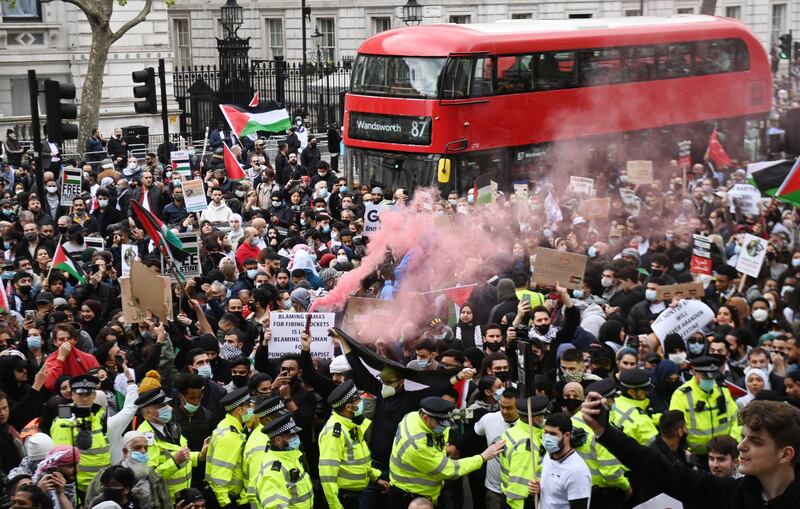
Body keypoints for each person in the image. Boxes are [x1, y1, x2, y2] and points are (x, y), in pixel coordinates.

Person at [581, 396, 800, 509]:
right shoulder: (732, 493)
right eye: (743, 436)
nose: (741, 446)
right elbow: (663, 471)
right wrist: (606, 432)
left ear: (785, 454)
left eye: (755, 441)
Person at [386, 396, 506, 508]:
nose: (445, 427)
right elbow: (451, 469)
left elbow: (449, 417)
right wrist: (483, 457)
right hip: (411, 500)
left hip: (420, 493)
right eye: (442, 424)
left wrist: (473, 413)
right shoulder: (417, 447)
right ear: (426, 419)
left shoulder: (413, 416)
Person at [318, 380, 388, 509]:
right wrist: (335, 506)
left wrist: (375, 477)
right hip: (343, 499)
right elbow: (327, 474)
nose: (361, 402)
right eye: (357, 400)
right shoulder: (334, 433)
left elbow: (358, 461)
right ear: (349, 407)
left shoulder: (351, 425)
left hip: (356, 495)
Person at [135, 388, 207, 501]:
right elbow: (150, 477)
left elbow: (181, 453)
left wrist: (198, 456)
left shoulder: (168, 425)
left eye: (167, 403)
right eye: (162, 405)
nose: (169, 408)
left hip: (182, 496)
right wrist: (174, 462)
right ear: (149, 412)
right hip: (166, 500)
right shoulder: (145, 438)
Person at [669, 356, 740, 463]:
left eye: (712, 377)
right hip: (694, 456)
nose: (709, 380)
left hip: (723, 453)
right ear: (694, 372)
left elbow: (736, 420)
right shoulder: (682, 395)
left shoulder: (722, 390)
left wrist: (732, 443)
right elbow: (675, 427)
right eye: (705, 376)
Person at [84, 431, 171, 509]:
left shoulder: (155, 479)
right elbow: (90, 504)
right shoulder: (104, 476)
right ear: (125, 451)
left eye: (146, 448)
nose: (143, 451)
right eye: (138, 448)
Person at [528, 412, 592, 509]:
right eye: (546, 432)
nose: (547, 438)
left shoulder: (577, 472)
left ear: (566, 436)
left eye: (553, 434)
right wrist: (538, 490)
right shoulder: (548, 457)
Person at [252, 413, 313, 508]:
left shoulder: (291, 456)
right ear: (278, 440)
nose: (296, 437)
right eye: (292, 435)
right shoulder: (272, 471)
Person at [498, 395, 549, 508]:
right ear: (536, 419)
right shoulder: (527, 447)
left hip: (507, 497)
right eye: (543, 416)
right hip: (521, 503)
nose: (544, 419)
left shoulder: (512, 431)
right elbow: (518, 489)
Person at [205, 387, 252, 509]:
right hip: (226, 500)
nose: (251, 409)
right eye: (248, 406)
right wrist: (226, 504)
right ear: (238, 410)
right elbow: (219, 478)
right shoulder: (229, 436)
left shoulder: (228, 425)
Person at [610, 368, 658, 444]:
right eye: (644, 390)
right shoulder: (641, 421)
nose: (647, 392)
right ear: (632, 392)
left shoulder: (614, 400)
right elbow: (657, 450)